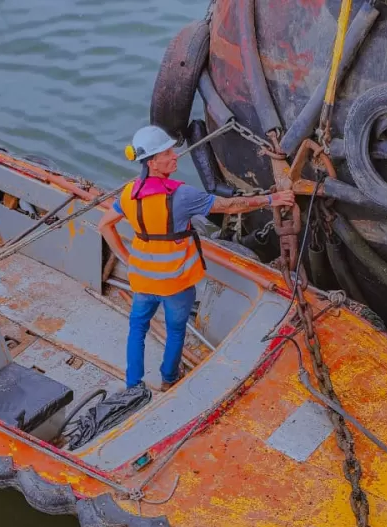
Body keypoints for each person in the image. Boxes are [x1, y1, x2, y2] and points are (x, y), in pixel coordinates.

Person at [97, 125, 295, 392]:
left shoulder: (129, 192)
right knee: (176, 331)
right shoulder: (182, 195)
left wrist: (126, 257)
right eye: (167, 153)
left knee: (137, 329)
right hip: (177, 282)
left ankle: (133, 384)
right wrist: (272, 199)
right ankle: (168, 378)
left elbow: (105, 226)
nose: (175, 156)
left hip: (142, 280)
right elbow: (229, 206)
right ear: (153, 163)